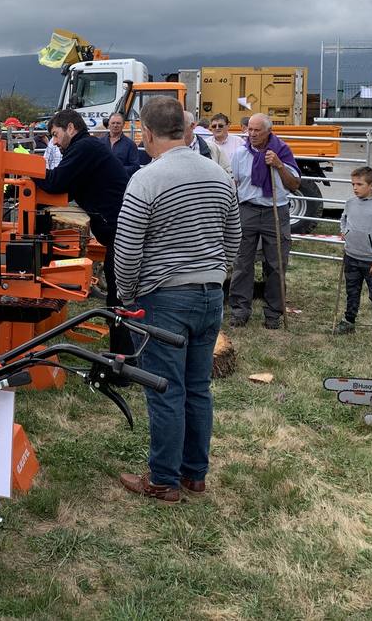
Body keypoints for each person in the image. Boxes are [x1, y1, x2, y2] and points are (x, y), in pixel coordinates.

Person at [114, 98, 240, 502]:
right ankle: (194, 474)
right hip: (210, 293)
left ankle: (163, 479)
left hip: (164, 297)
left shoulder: (147, 179)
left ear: (147, 133)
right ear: (185, 130)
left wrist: (126, 294)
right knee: (198, 387)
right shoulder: (219, 175)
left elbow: (128, 248)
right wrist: (218, 273)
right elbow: (233, 236)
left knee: (166, 388)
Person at [34, 110, 129, 348]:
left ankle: (123, 359)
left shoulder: (83, 148)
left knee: (119, 296)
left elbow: (56, 182)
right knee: (118, 293)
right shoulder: (86, 148)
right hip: (116, 229)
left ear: (70, 128)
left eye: (55, 135)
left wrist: (27, 170)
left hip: (121, 231)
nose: (54, 142)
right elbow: (67, 190)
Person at [229, 113, 300, 330]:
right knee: (242, 262)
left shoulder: (282, 151)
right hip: (247, 209)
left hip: (275, 211)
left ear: (268, 131)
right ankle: (240, 310)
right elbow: (236, 182)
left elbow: (294, 184)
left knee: (276, 263)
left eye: (256, 130)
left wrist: (279, 165)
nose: (251, 134)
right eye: (249, 129)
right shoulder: (240, 153)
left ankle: (273, 313)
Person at [337, 166, 372, 342]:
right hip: (351, 256)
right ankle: (349, 320)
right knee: (352, 291)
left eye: (359, 184)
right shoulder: (350, 203)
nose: (355, 188)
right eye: (353, 184)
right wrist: (345, 231)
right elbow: (344, 218)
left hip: (371, 262)